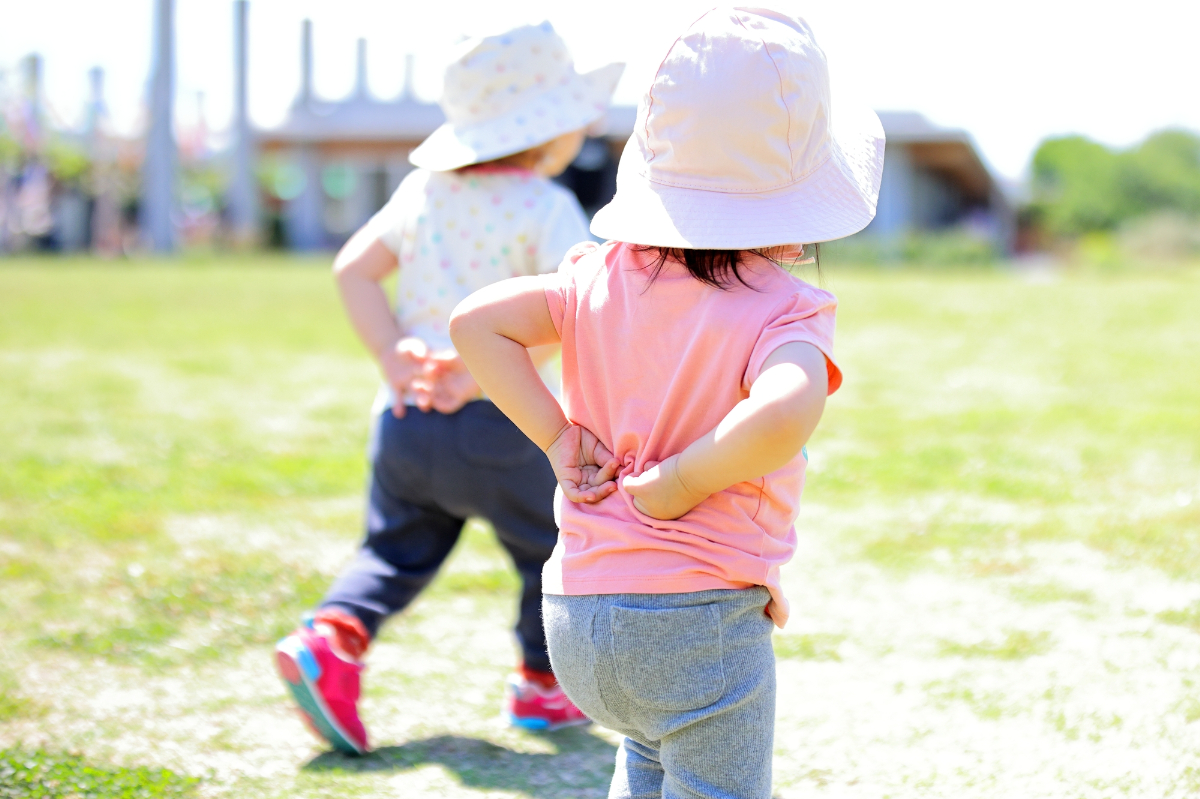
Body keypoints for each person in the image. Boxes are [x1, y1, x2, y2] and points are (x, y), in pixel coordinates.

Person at [449, 8, 885, 798]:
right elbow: (789, 407)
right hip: (699, 620)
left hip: (577, 612)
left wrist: (556, 438)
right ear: (801, 201)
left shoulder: (594, 275)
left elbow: (475, 324)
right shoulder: (785, 310)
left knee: (646, 754)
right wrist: (686, 478)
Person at [273, 22, 623, 756]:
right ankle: (540, 682)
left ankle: (331, 637)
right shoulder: (546, 206)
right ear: (550, 130)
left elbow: (354, 268)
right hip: (503, 420)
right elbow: (574, 310)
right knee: (549, 548)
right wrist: (483, 368)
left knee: (393, 549)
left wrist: (391, 358)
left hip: (406, 419)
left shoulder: (423, 191)